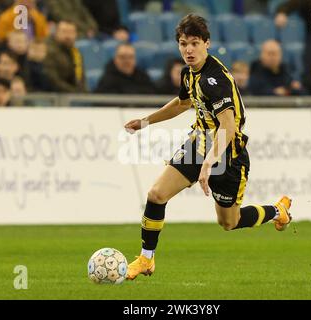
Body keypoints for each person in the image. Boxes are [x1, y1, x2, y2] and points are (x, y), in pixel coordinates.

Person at [123, 14, 292, 281]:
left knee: (229, 222)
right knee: (156, 194)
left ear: (207, 44)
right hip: (200, 142)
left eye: (194, 43)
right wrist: (146, 121)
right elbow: (181, 104)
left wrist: (210, 162)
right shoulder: (189, 73)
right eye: (183, 43)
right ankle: (146, 258)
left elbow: (228, 127)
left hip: (229, 154)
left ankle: (276, 211)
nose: (188, 50)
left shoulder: (215, 80)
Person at [43, 20, 86, 93]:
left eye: (71, 32)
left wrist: (82, 93)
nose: (68, 36)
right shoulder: (47, 50)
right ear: (56, 33)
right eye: (64, 32)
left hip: (71, 96)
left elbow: (80, 78)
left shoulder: (76, 53)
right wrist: (74, 93)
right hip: (50, 95)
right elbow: (52, 80)